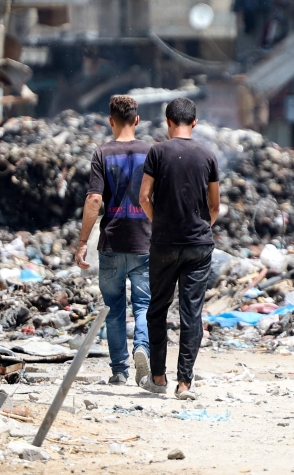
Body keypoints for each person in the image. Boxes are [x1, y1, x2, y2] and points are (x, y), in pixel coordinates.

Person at [138, 97, 220, 399]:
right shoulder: (208, 155)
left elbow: (144, 197)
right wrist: (200, 227)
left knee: (157, 309)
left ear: (167, 122)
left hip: (163, 244)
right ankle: (184, 383)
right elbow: (215, 205)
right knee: (191, 313)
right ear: (194, 122)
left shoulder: (157, 152)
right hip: (198, 245)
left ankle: (158, 378)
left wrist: (159, 223)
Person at [75, 96, 153, 386]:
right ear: (137, 120)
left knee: (114, 308)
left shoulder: (102, 153)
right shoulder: (152, 152)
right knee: (144, 305)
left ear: (111, 121)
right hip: (144, 242)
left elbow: (95, 198)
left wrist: (83, 241)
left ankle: (119, 370)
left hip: (110, 243)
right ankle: (142, 348)